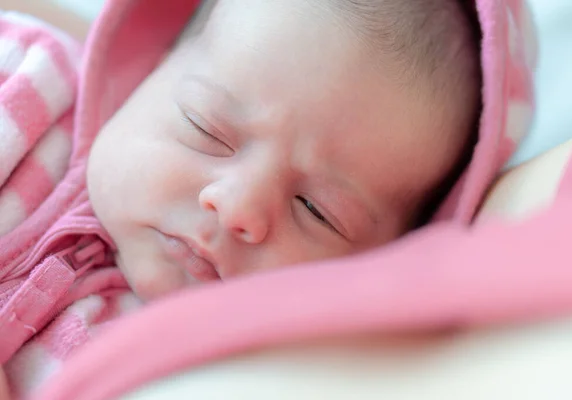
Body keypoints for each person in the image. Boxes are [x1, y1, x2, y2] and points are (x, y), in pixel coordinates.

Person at [0, 0, 534, 397]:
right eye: (207, 128)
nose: (237, 207)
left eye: (318, 211)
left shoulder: (224, 379)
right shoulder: (28, 81)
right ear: (146, 70)